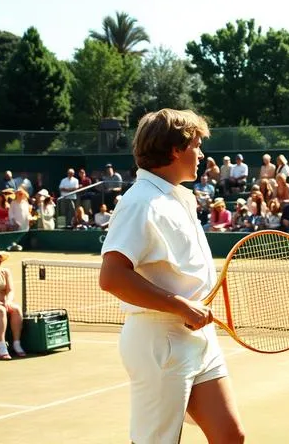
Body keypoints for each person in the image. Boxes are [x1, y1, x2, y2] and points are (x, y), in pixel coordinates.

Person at [99, 109, 244, 443]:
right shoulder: (140, 202)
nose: (202, 153)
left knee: (230, 436)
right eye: (196, 144)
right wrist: (181, 306)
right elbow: (112, 277)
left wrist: (189, 308)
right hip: (159, 342)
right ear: (176, 149)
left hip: (198, 337)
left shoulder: (177, 196)